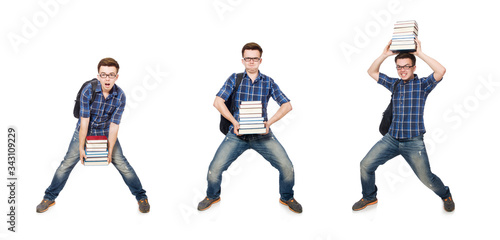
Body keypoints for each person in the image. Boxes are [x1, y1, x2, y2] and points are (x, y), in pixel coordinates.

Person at [198, 42, 302, 213]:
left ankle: (287, 197)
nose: (251, 62)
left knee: (287, 167)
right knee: (214, 169)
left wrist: (269, 123)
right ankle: (212, 195)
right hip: (237, 134)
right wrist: (234, 122)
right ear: (243, 60)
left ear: (260, 60)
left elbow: (287, 105)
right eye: (248, 58)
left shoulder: (268, 82)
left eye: (255, 58)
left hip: (262, 135)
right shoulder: (234, 78)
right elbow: (218, 102)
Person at [36, 58, 150, 213]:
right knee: (66, 165)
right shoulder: (88, 90)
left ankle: (141, 197)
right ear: (98, 76)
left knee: (123, 165)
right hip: (84, 132)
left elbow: (114, 126)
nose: (107, 78)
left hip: (105, 132)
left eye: (111, 75)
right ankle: (49, 197)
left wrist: (110, 152)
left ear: (117, 77)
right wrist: (82, 148)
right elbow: (84, 122)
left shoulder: (120, 96)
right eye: (103, 75)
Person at [352, 39, 455, 212]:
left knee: (427, 179)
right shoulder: (395, 84)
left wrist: (419, 53)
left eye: (406, 66)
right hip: (391, 139)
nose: (402, 70)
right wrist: (384, 55)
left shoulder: (422, 85)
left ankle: (445, 194)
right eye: (399, 67)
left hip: (413, 143)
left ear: (414, 67)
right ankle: (369, 197)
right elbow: (371, 71)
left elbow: (441, 70)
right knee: (365, 165)